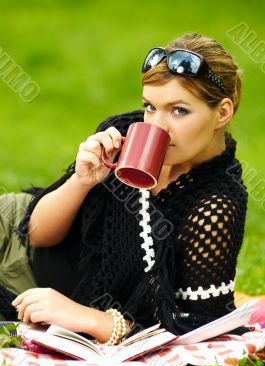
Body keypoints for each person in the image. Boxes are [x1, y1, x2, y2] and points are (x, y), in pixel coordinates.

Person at [0, 32, 251, 344]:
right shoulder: (124, 135)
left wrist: (97, 320)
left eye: (179, 110)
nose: (157, 125)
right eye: (150, 106)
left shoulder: (214, 206)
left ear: (222, 113)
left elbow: (193, 325)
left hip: (27, 294)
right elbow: (34, 234)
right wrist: (82, 180)